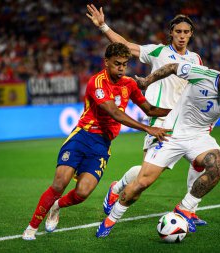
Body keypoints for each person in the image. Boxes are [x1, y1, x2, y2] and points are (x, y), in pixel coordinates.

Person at [95, 59, 220, 237]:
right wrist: (147, 81)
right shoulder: (202, 74)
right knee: (142, 183)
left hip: (199, 137)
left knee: (218, 164)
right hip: (172, 133)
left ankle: (185, 208)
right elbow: (172, 67)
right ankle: (111, 219)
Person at [22, 42, 172, 240]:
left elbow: (150, 110)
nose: (121, 68)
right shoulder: (97, 82)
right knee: (59, 184)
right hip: (82, 137)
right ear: (106, 62)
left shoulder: (129, 84)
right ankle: (31, 229)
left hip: (102, 144)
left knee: (82, 193)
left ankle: (56, 206)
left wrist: (179, 112)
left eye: (125, 64)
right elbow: (114, 113)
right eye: (117, 63)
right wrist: (147, 128)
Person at [87, 4, 207, 225]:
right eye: (178, 31)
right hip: (160, 119)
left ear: (191, 34)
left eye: (186, 32)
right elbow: (125, 46)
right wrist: (103, 26)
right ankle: (118, 187)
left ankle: (189, 210)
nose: (181, 36)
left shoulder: (196, 59)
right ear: (171, 33)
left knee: (201, 162)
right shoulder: (159, 52)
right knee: (147, 173)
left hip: (186, 122)